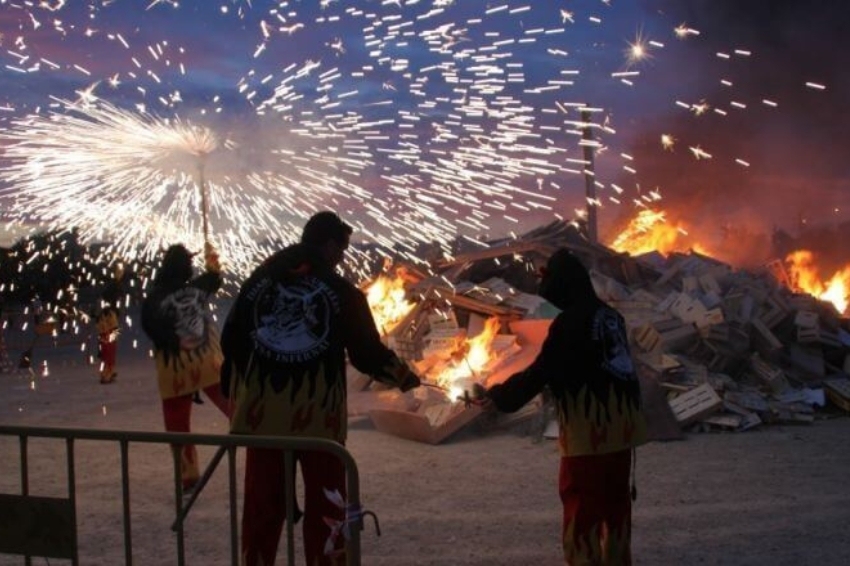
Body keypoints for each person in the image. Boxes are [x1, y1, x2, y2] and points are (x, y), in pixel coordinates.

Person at [221, 211, 421, 566]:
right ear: (329, 245)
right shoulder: (341, 291)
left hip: (261, 419)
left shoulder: (258, 282)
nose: (342, 257)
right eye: (341, 250)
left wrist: (244, 390)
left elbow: (231, 338)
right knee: (329, 510)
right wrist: (403, 375)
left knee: (262, 510)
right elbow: (367, 353)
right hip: (318, 421)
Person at [483, 248, 647, 566]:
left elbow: (542, 371)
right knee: (615, 506)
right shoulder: (610, 316)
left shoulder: (570, 323)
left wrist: (500, 397)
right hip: (622, 431)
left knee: (581, 507)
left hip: (589, 433)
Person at [141, 242, 231, 493]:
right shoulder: (193, 290)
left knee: (177, 427)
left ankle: (188, 475)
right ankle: (262, 444)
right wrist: (213, 264)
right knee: (235, 407)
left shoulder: (155, 298)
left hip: (174, 371)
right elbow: (213, 281)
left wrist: (171, 341)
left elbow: (150, 326)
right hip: (206, 363)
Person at [95, 263, 124, 384]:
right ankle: (106, 374)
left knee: (109, 351)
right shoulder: (108, 306)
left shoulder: (110, 291)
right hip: (109, 326)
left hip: (109, 325)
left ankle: (108, 372)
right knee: (109, 351)